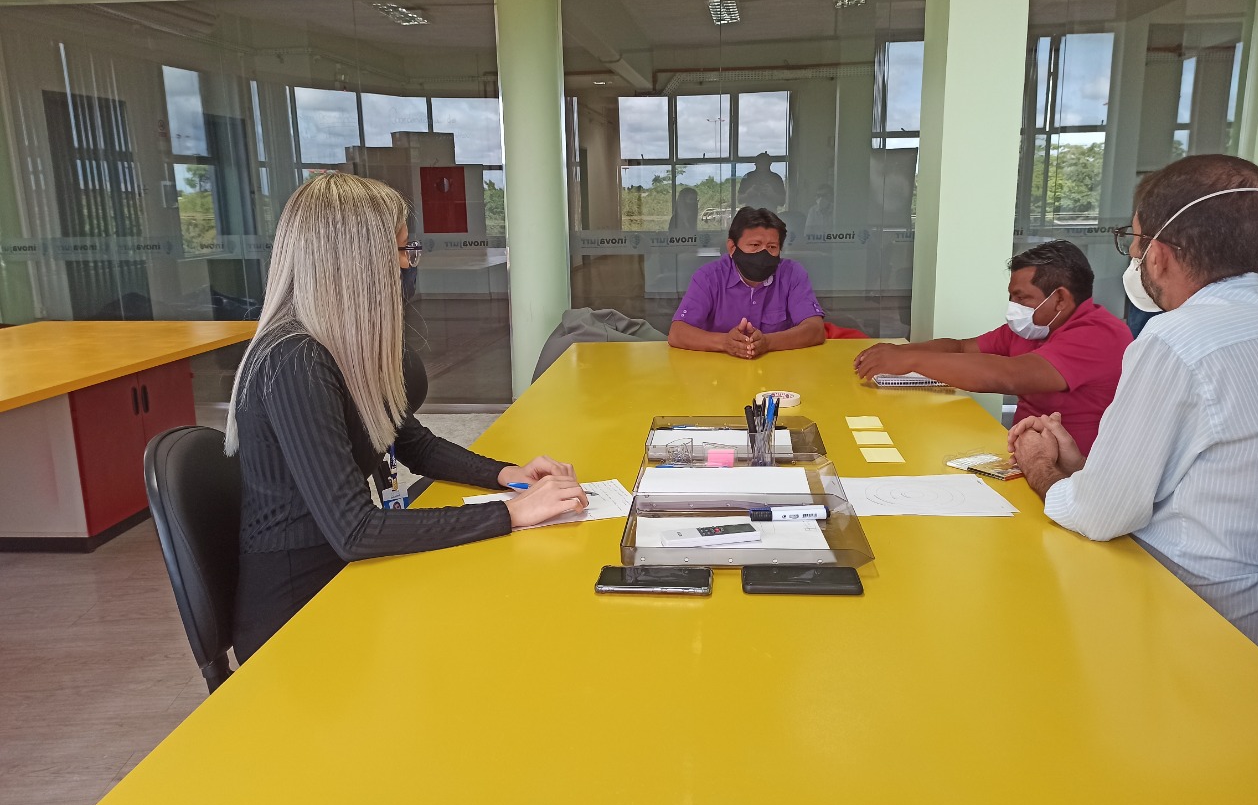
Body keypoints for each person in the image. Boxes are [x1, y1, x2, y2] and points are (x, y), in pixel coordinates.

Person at [224, 173, 587, 662]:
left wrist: (505, 475)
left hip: (342, 576)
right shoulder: (295, 361)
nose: (409, 263)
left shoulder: (339, 347)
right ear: (357, 265)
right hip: (299, 618)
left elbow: (412, 442)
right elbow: (355, 530)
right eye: (401, 251)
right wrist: (511, 512)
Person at [1010, 154, 1258, 661]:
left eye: (1132, 240)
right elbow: (1211, 473)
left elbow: (1103, 515)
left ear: (1157, 255)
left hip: (1187, 621)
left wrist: (1042, 470)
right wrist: (1087, 470)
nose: (1132, 255)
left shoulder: (1176, 340)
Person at [854, 240, 1130, 454]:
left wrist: (913, 362)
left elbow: (1009, 376)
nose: (1014, 307)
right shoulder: (1033, 327)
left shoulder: (1100, 334)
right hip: (1027, 455)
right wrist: (901, 352)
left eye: (1022, 298)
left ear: (1059, 299)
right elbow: (963, 348)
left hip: (1074, 473)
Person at [668, 207, 824, 359]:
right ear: (732, 247)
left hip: (777, 372)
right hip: (719, 373)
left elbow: (815, 329)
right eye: (755, 245)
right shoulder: (709, 278)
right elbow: (678, 333)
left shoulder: (792, 274)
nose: (764, 253)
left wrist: (768, 343)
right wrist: (725, 342)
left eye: (772, 247)